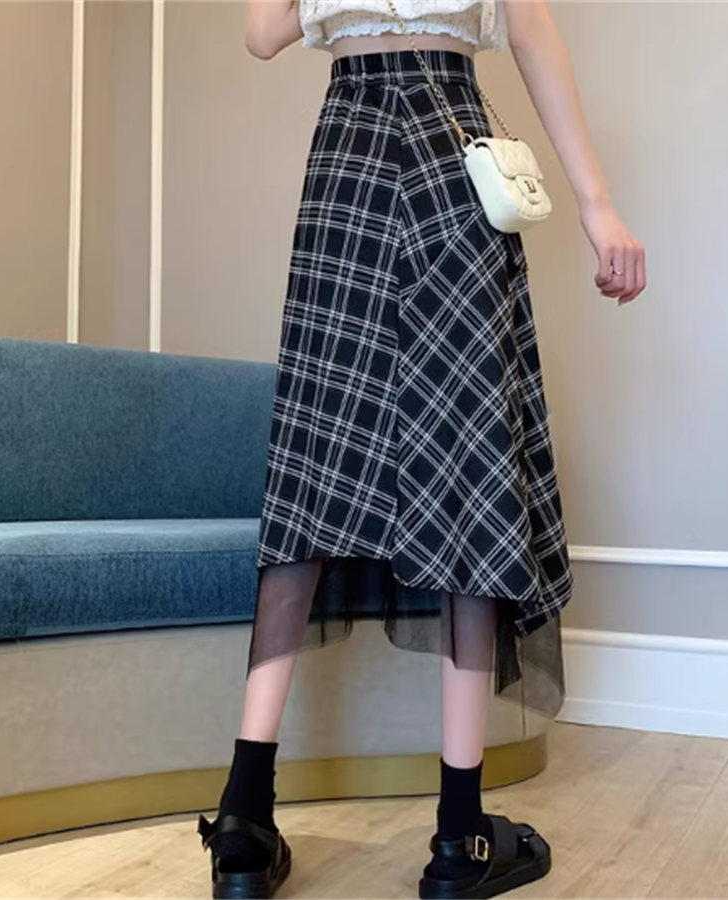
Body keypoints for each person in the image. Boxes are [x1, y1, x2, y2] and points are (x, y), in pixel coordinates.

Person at [197, 2, 646, 899]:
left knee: (313, 469)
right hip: (450, 151)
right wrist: (598, 208)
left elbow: (262, 33)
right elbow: (532, 33)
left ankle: (244, 820)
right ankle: (459, 835)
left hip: (347, 158)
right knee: (466, 466)